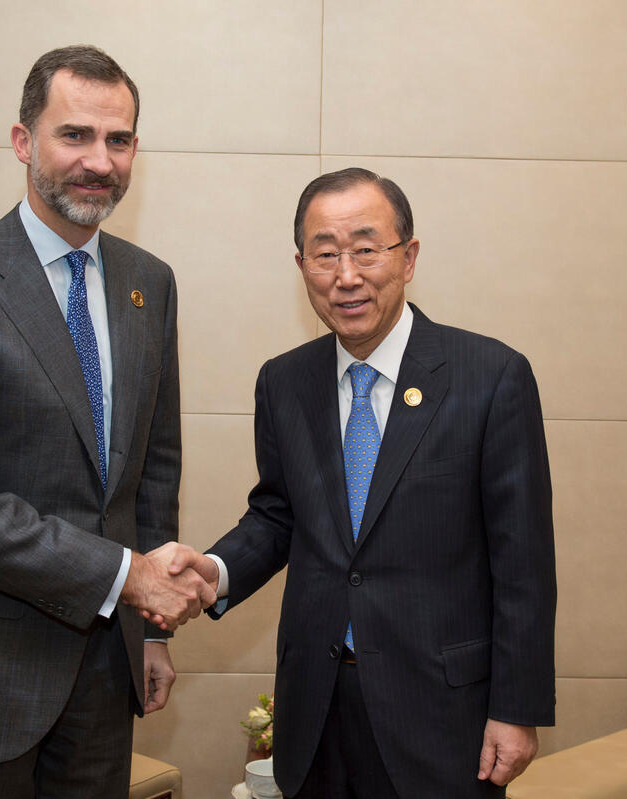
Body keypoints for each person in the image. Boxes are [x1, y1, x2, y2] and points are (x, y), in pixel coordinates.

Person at [0, 45, 215, 799]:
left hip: (103, 675)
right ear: (22, 142)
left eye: (118, 139)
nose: (100, 161)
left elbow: (153, 469)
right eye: (75, 135)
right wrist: (128, 578)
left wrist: (151, 629)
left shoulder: (148, 283)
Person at [168, 168, 556, 798]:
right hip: (317, 705)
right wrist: (215, 571)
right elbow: (278, 515)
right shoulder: (284, 382)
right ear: (302, 266)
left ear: (409, 257)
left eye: (367, 249)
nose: (346, 276)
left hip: (442, 712)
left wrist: (517, 708)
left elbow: (525, 564)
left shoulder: (491, 377)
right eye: (325, 254)